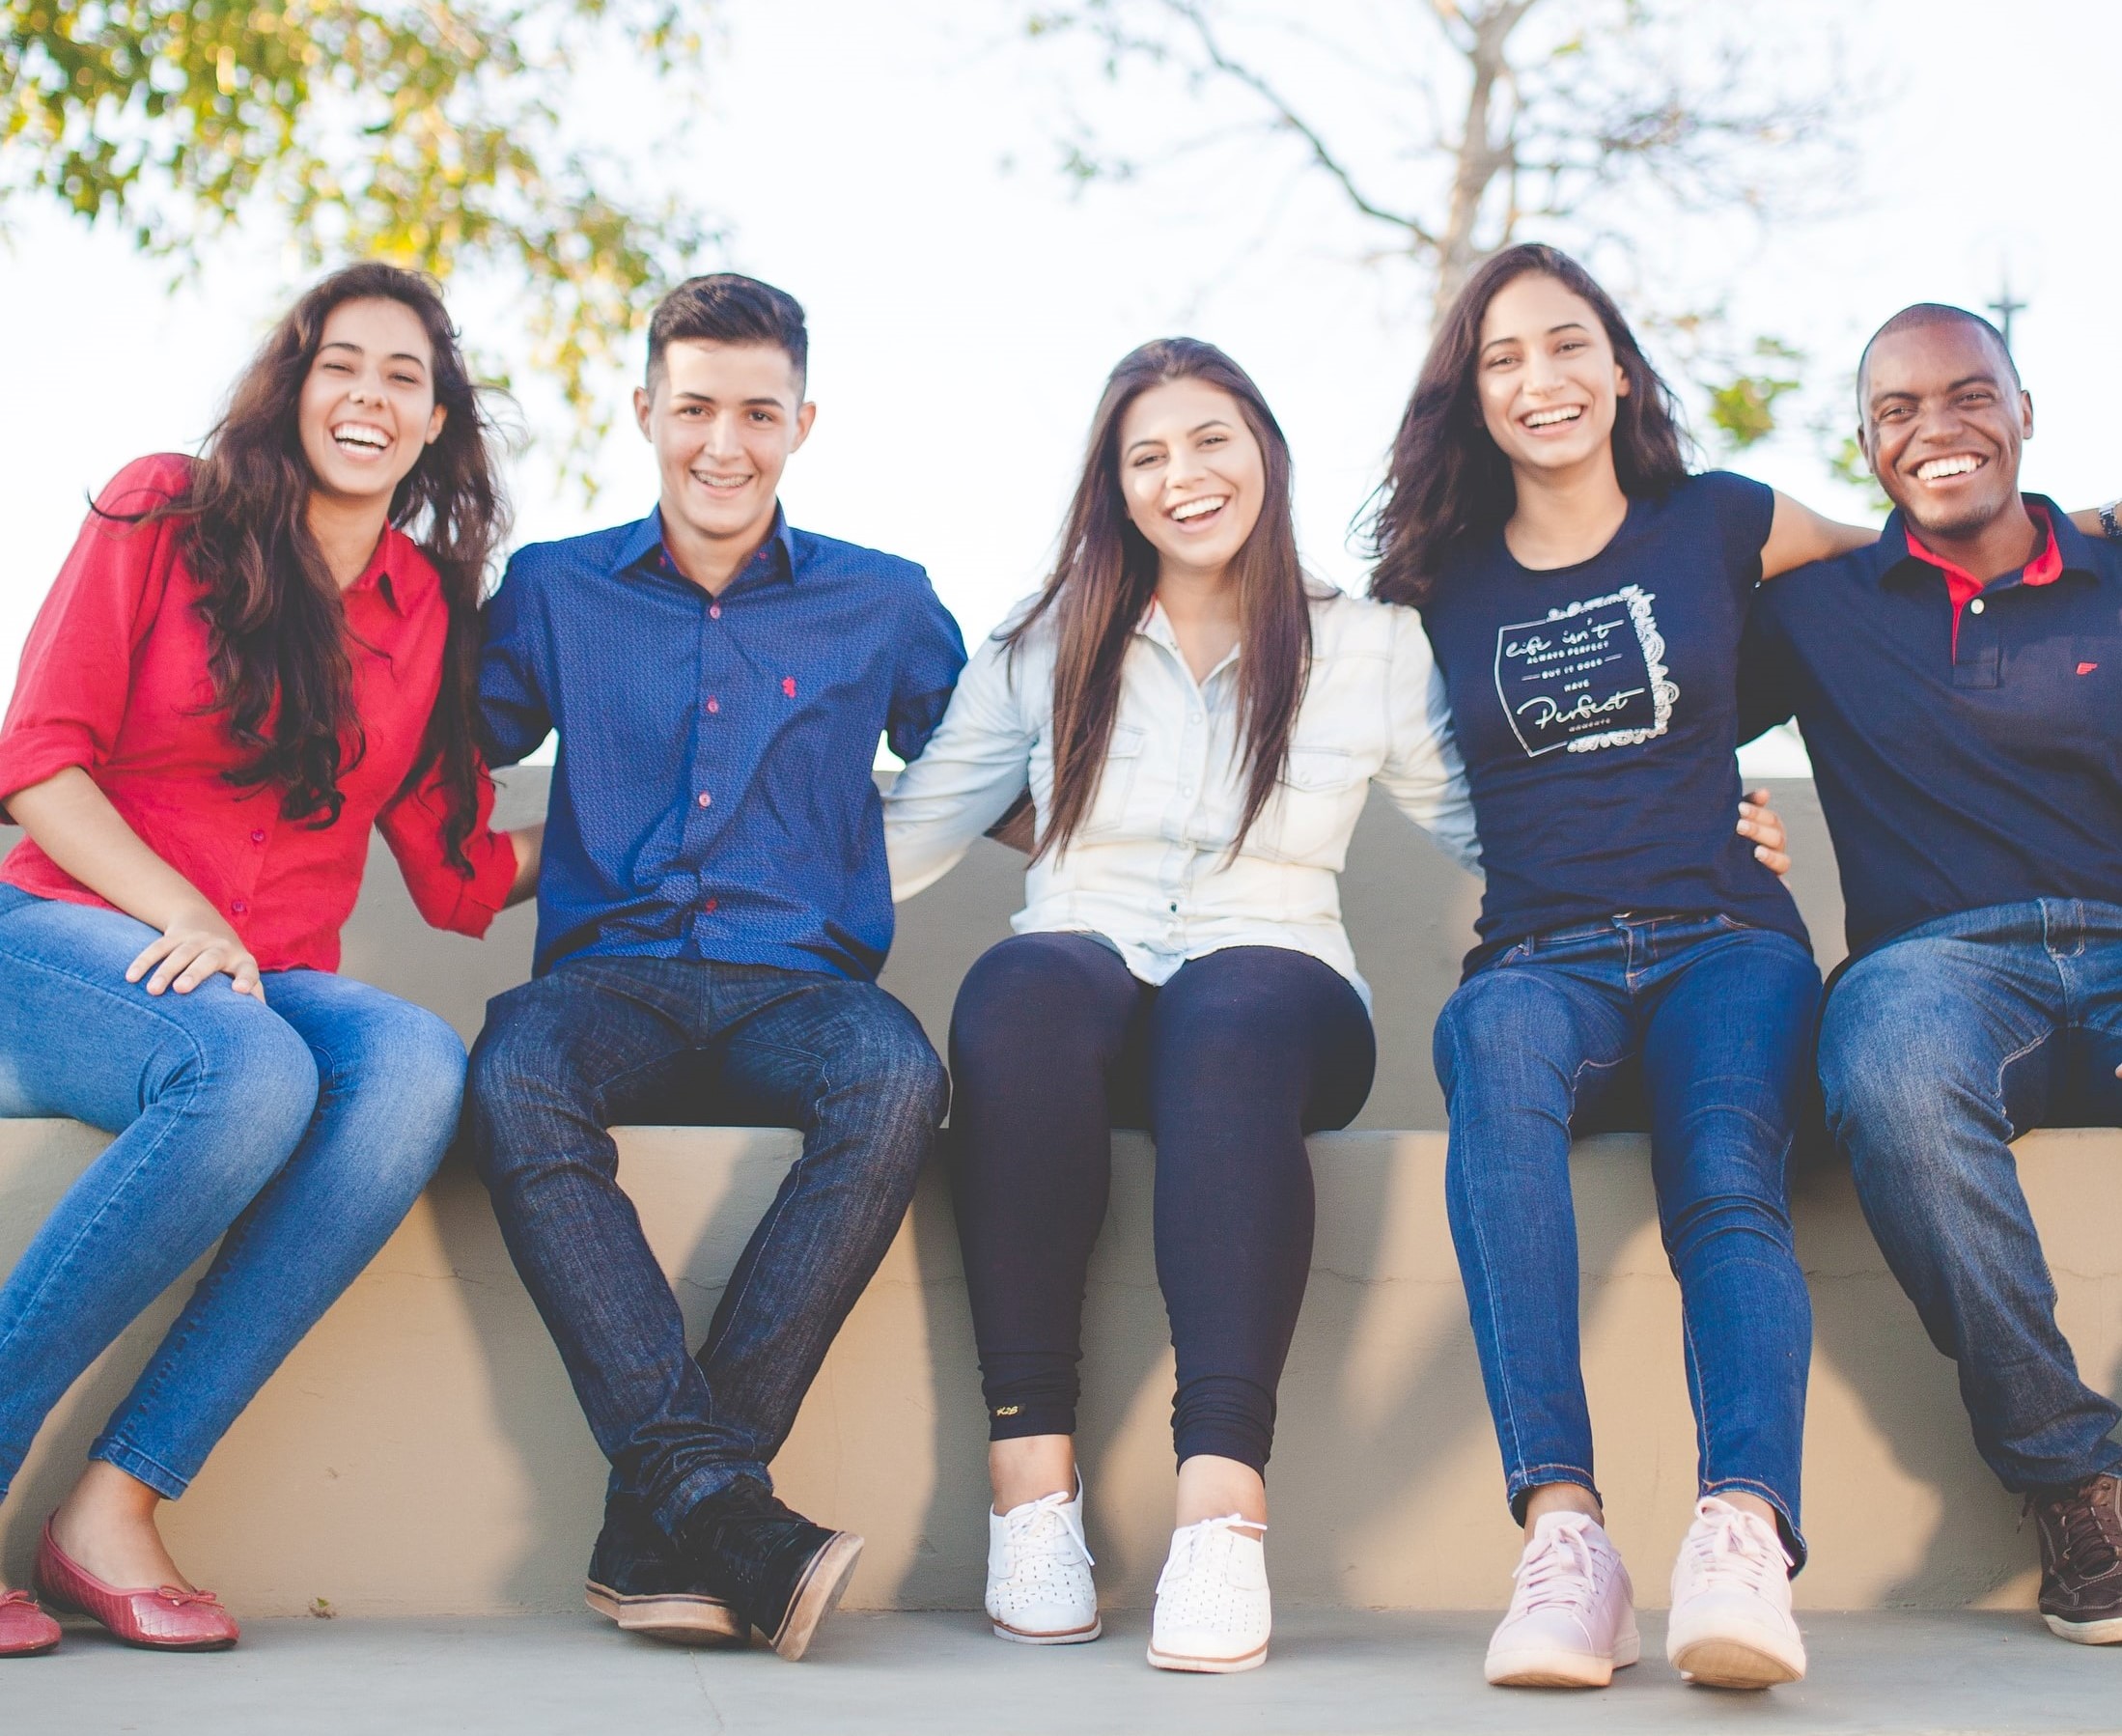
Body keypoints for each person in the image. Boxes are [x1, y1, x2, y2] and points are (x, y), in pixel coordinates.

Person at [883, 336, 1791, 1674]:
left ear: (1263, 453)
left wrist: (1688, 829)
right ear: (1112, 486)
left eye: (1209, 441)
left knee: (1230, 1012)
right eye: (1146, 455)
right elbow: (908, 832)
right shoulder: (1044, 637)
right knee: (1015, 989)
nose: (1182, 475)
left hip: (1278, 989)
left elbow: (1506, 821)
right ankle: (1032, 1494)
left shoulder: (1365, 645)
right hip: (1082, 969)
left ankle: (1219, 1511)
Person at [0, 264, 535, 1658]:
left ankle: (113, 1504)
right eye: (339, 363)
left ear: (434, 424)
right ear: (295, 386)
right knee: (245, 1075)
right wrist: (181, 911)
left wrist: (665, 826)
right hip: (63, 926)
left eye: (403, 376)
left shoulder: (425, 607)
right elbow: (37, 765)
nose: (367, 394)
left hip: (262, 974)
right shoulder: (161, 508)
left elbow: (454, 864)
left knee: (414, 1064)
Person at [1369, 242, 1871, 1693]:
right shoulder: (1430, 583)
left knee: (1722, 1165)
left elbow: (1902, 576)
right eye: (1504, 358)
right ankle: (1564, 1535)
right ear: (1469, 397)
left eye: (1567, 343)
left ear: (1620, 367)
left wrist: (2074, 525)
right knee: (1496, 1058)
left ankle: (1739, 1532)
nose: (1541, 379)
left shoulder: (1717, 520)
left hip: (1727, 937)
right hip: (1541, 953)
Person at [466, 274, 965, 1663]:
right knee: (511, 1075)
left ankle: (672, 1515)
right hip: (604, 980)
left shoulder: (885, 600)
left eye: (758, 411)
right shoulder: (556, 588)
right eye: (694, 408)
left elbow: (1007, 759)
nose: (723, 444)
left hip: (799, 986)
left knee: (895, 1076)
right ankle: (726, 1512)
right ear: (645, 411)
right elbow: (435, 749)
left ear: (804, 421)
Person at [1741, 304, 2122, 1647]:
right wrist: (1712, 816)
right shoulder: (1813, 612)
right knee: (1886, 1065)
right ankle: (2075, 1483)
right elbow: (1642, 720)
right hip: (1939, 968)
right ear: (1865, 444)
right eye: (1895, 411)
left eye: (1968, 396)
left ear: (2025, 412)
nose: (1935, 429)